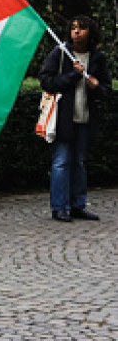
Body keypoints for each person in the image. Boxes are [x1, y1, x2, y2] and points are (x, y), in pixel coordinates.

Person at [39, 16, 111, 222]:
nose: (76, 32)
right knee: (61, 162)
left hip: (85, 119)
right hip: (63, 119)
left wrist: (96, 86)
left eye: (81, 28)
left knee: (78, 163)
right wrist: (73, 75)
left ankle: (78, 205)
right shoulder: (61, 53)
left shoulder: (97, 58)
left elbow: (107, 89)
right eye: (73, 28)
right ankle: (59, 207)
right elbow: (46, 81)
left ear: (91, 32)